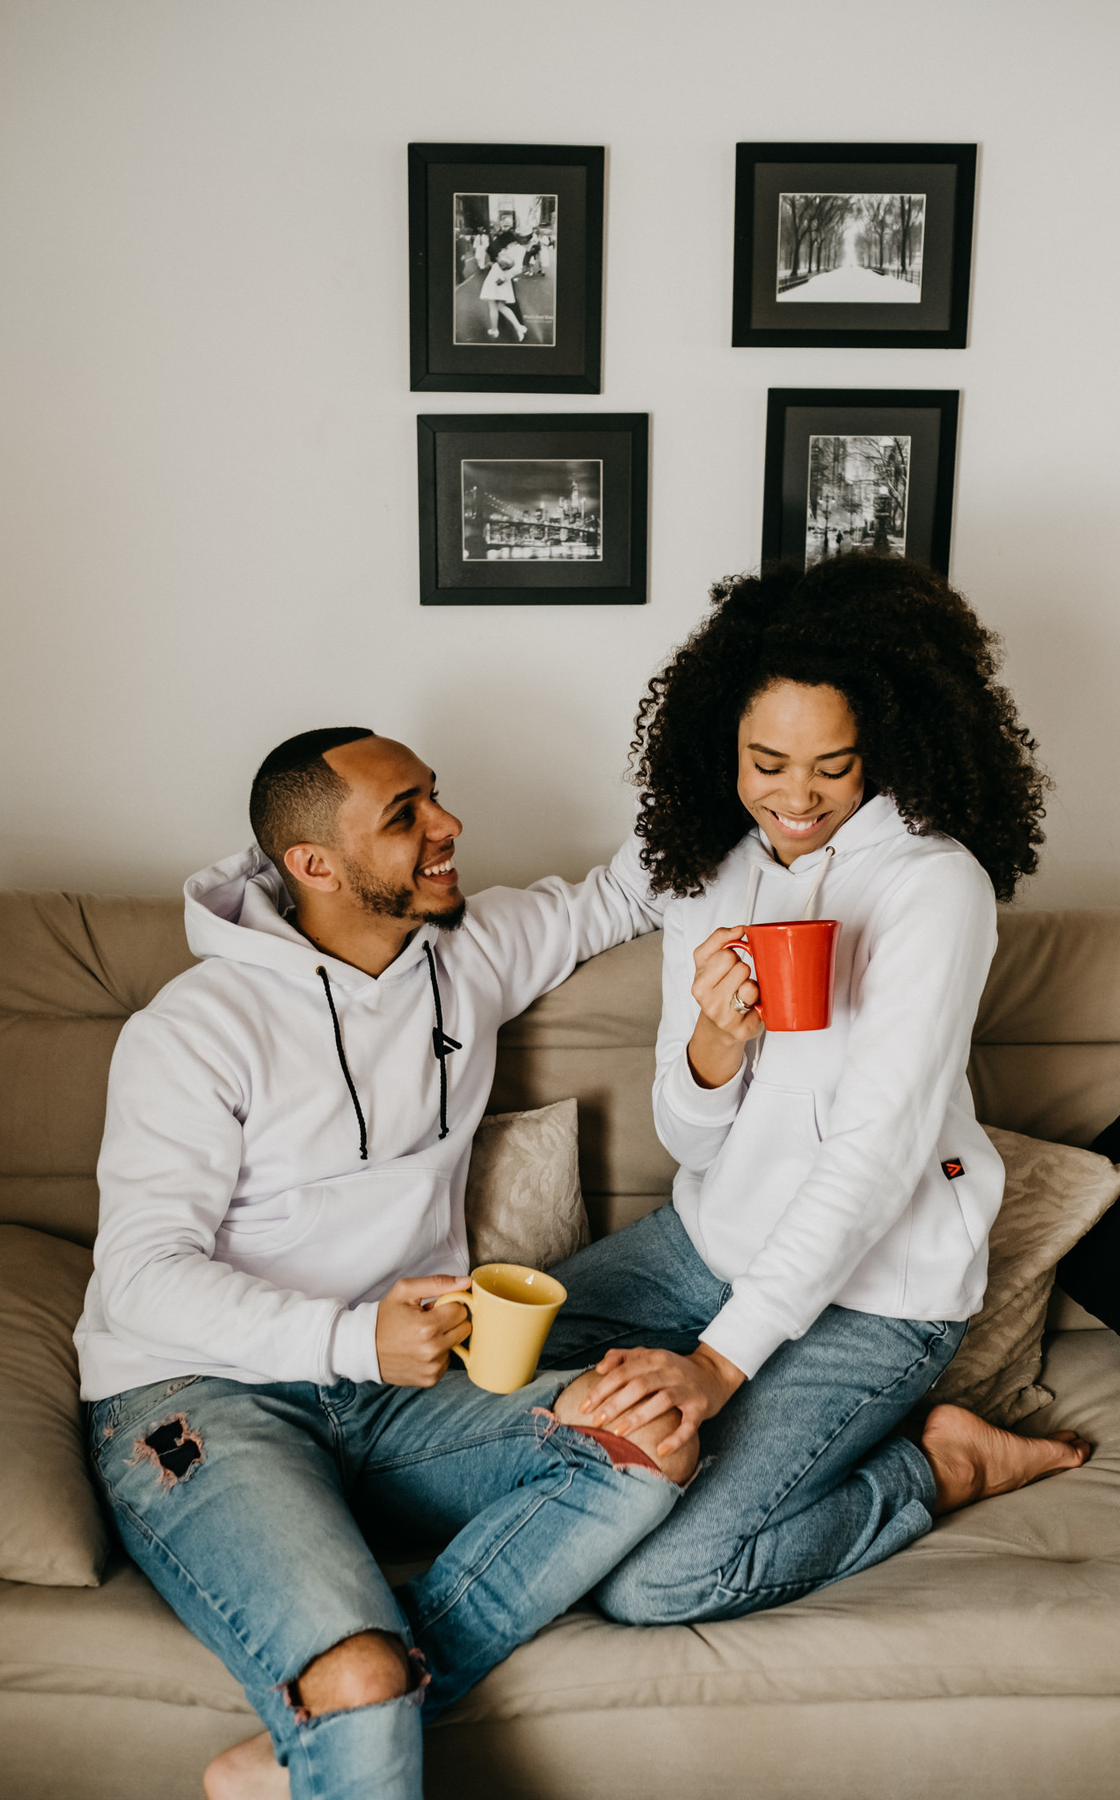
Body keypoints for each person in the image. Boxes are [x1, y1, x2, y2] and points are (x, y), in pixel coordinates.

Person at [78, 728, 694, 1800]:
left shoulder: (470, 953)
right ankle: (351, 1700)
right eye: (405, 815)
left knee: (644, 1443)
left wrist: (746, 749)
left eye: (435, 800)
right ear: (314, 865)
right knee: (356, 1669)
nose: (448, 828)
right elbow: (140, 1274)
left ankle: (309, 1741)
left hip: (400, 1401)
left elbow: (623, 891)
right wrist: (350, 1337)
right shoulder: (191, 1032)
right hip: (199, 1396)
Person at [542, 555, 1091, 1627]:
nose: (797, 800)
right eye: (766, 763)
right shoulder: (712, 867)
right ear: (722, 746)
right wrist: (714, 1041)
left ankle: (937, 1467)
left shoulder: (935, 887)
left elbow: (876, 1156)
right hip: (705, 1248)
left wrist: (715, 1367)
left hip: (873, 1296)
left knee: (659, 1581)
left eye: (836, 769)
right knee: (482, 1364)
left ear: (887, 745)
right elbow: (690, 1143)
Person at [478, 251, 526, 340]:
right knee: (501, 306)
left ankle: (494, 330)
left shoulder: (501, 262)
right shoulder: (503, 263)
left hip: (494, 282)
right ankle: (518, 327)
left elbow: (515, 267)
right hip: (503, 283)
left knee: (492, 306)